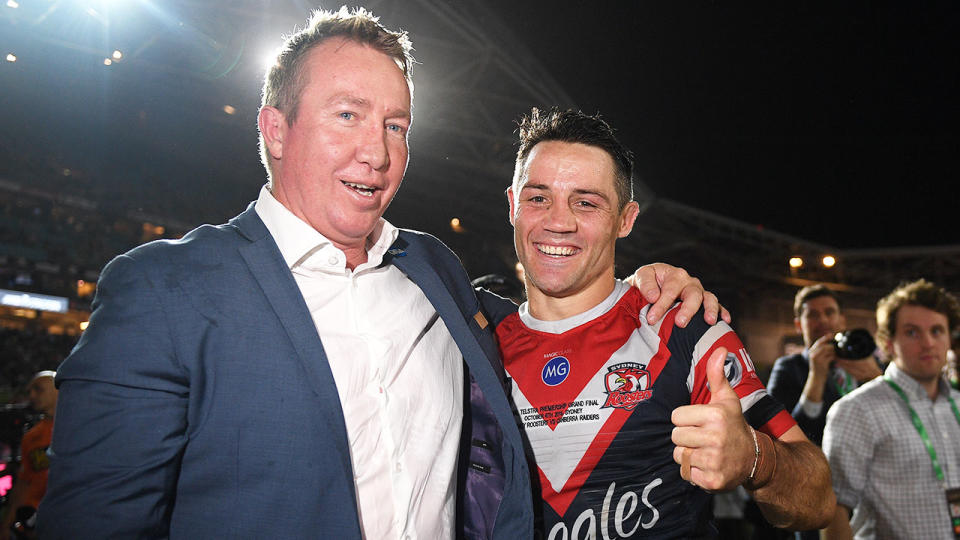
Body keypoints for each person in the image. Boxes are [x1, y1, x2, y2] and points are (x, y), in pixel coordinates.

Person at [38, 8, 720, 539]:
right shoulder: (165, 291)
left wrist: (648, 283)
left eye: (397, 126)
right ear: (275, 129)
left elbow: (552, 312)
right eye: (347, 116)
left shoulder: (436, 272)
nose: (377, 151)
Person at [488, 108, 835, 538]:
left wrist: (755, 460)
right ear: (512, 205)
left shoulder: (685, 328)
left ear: (626, 219)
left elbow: (818, 502)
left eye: (586, 202)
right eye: (538, 197)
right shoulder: (474, 340)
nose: (558, 222)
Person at [822, 279, 960, 540]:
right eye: (912, 332)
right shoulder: (857, 411)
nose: (928, 343)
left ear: (949, 339)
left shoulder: (957, 404)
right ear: (887, 343)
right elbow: (833, 508)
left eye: (937, 331)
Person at [767, 285, 882, 448]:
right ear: (799, 325)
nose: (823, 320)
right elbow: (778, 434)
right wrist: (816, 376)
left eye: (829, 312)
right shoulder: (788, 368)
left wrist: (877, 379)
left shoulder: (866, 359)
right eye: (812, 315)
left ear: (842, 319)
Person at [0, 371, 57, 540]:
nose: (32, 395)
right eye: (30, 391)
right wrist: (6, 525)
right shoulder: (32, 436)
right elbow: (24, 483)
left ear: (57, 389)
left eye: (38, 390)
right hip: (34, 517)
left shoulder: (81, 427)